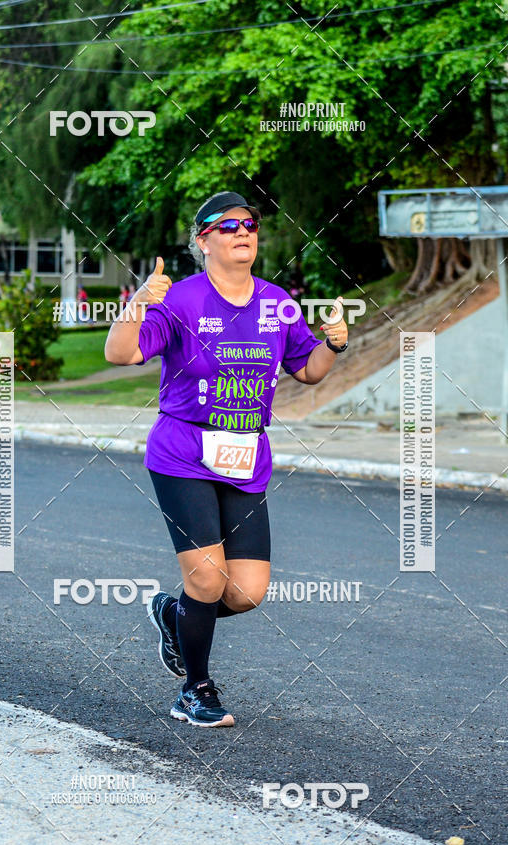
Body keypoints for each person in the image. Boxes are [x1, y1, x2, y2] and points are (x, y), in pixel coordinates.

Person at [104, 191, 348, 728]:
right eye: (229, 224)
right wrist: (139, 302)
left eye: (252, 224)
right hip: (184, 452)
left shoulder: (277, 301)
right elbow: (120, 353)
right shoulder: (181, 300)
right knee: (209, 580)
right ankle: (195, 688)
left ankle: (174, 614)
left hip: (245, 455)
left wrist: (334, 344)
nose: (244, 231)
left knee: (246, 593)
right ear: (202, 241)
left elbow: (307, 369)